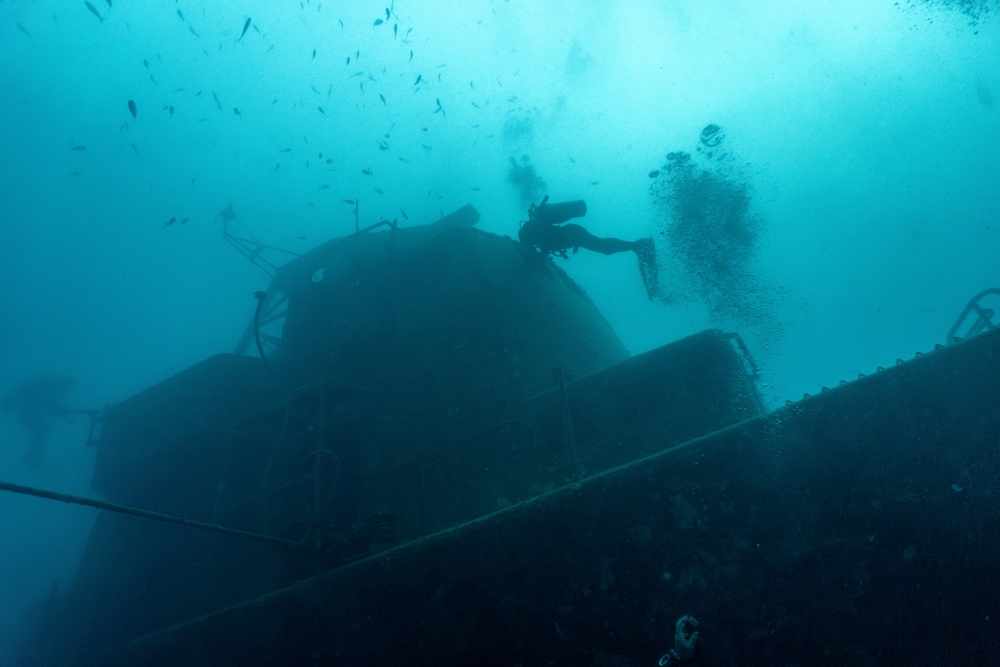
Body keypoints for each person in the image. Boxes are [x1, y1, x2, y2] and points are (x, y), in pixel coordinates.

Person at [518, 196, 659, 297]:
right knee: (603, 247)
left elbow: (541, 250)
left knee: (603, 247)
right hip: (572, 233)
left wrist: (536, 259)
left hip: (572, 235)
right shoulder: (535, 230)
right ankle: (636, 245)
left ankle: (638, 245)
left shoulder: (532, 233)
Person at [0, 376, 76, 466]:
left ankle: (34, 456)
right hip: (27, 413)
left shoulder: (50, 387)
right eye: (68, 387)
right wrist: (64, 414)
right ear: (64, 384)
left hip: (28, 413)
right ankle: (33, 458)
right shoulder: (49, 388)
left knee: (44, 430)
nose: (68, 389)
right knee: (44, 431)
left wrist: (64, 411)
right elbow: (47, 406)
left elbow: (48, 404)